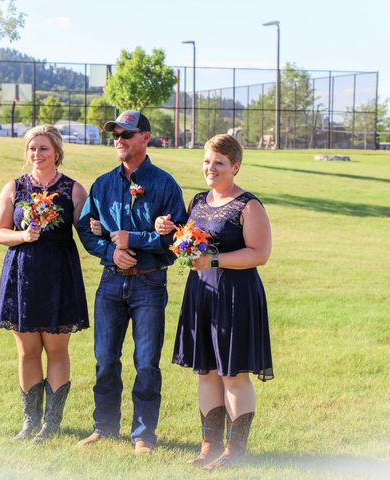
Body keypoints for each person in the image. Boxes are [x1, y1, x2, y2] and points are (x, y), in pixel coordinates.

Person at [155, 133, 274, 469]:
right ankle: (209, 447)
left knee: (233, 374)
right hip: (201, 295)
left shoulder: (248, 205)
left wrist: (216, 260)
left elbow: (260, 254)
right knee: (206, 372)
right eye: (207, 161)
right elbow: (185, 242)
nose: (211, 168)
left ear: (235, 166)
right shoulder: (198, 201)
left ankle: (236, 452)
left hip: (236, 295)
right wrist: (167, 230)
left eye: (219, 163)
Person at [76, 110, 187, 454]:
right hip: (110, 283)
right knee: (105, 359)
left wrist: (132, 239)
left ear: (145, 138)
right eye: (115, 135)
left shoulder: (165, 184)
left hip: (150, 285)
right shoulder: (103, 184)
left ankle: (143, 436)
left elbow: (178, 239)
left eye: (126, 134)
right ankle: (104, 428)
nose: (119, 140)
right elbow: (85, 227)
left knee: (146, 362)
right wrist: (111, 253)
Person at [0, 125, 89, 442]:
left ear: (57, 152)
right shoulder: (14, 187)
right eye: (32, 148)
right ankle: (30, 421)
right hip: (22, 274)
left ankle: (52, 423)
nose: (37, 154)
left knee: (57, 350)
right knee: (27, 351)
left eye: (44, 148)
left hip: (59, 275)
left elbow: (88, 231)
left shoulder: (73, 190)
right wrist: (22, 236)